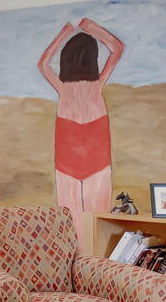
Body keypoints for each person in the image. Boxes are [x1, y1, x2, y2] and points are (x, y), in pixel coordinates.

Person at [37, 16, 127, 214]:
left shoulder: (63, 89)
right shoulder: (97, 86)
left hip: (66, 163)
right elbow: (117, 48)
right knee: (98, 225)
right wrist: (90, 26)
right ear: (93, 60)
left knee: (72, 229)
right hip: (97, 161)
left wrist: (65, 31)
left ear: (65, 60)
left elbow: (43, 64)